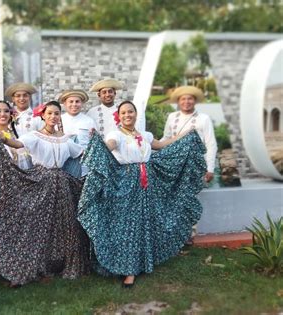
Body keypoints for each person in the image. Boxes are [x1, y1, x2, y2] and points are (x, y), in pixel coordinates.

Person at [78, 100, 207, 288]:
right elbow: (110, 146)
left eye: (130, 112)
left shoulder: (145, 135)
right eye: (123, 113)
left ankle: (145, 260)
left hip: (148, 185)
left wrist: (184, 135)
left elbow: (162, 145)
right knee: (128, 225)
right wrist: (98, 142)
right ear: (119, 116)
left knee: (145, 222)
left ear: (135, 114)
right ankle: (129, 270)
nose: (127, 115)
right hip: (127, 185)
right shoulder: (116, 135)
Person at [0, 100, 90, 286]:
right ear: (43, 116)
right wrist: (3, 138)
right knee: (39, 225)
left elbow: (83, 153)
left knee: (65, 224)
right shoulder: (35, 136)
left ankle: (62, 264)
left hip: (62, 183)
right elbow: (18, 143)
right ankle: (32, 266)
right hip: (42, 182)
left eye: (56, 113)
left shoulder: (66, 139)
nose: (53, 117)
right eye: (50, 113)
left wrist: (100, 147)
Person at [162, 86, 217, 183]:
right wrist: (150, 148)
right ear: (178, 101)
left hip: (196, 164)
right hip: (174, 163)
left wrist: (210, 168)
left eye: (190, 99)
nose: (186, 102)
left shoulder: (204, 118)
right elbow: (166, 138)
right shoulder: (172, 117)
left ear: (195, 101)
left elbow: (211, 144)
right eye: (183, 99)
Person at [60, 89, 97, 176]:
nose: (74, 104)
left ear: (82, 104)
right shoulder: (59, 120)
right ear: (65, 104)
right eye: (71, 101)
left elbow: (94, 142)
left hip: (83, 160)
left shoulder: (89, 121)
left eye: (77, 101)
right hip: (64, 160)